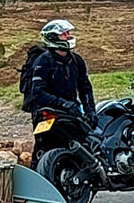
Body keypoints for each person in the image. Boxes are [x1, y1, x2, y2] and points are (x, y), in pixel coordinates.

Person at [20, 19, 95, 162]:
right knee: (43, 149)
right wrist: (63, 104)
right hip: (46, 112)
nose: (68, 36)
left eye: (68, 33)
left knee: (80, 146)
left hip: (72, 111)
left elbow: (85, 87)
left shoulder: (76, 60)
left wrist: (90, 110)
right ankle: (38, 179)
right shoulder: (43, 61)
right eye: (64, 34)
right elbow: (37, 93)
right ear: (53, 38)